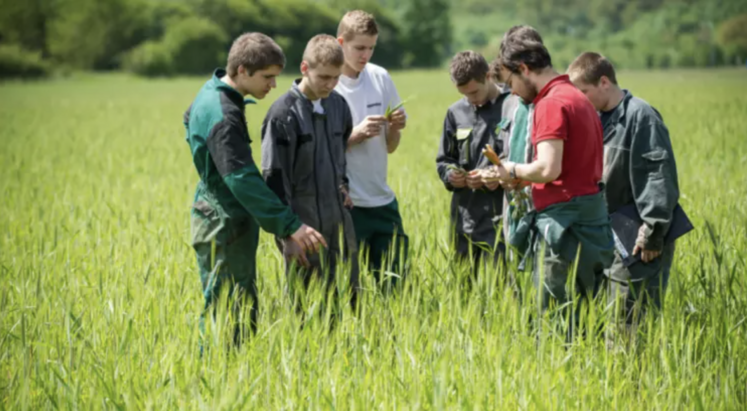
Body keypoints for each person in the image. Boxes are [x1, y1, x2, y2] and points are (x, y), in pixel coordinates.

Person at [184, 32, 325, 345]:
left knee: (232, 303)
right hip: (224, 222)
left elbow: (187, 120)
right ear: (243, 70)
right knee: (231, 308)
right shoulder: (225, 113)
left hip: (218, 213)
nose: (273, 85)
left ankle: (229, 377)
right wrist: (290, 225)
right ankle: (220, 380)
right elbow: (241, 178)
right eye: (268, 77)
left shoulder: (211, 93)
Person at [483, 27, 614, 335]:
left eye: (512, 82)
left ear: (525, 69)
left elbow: (548, 169)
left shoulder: (551, 103)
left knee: (555, 322)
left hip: (563, 229)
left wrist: (512, 170)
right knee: (588, 316)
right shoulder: (576, 96)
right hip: (592, 223)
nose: (513, 92)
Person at [568, 52, 680, 324]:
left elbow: (658, 176)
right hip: (605, 234)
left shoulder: (641, 116)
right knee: (601, 315)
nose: (580, 99)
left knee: (629, 319)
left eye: (584, 91)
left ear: (604, 81)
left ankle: (636, 368)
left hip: (638, 237)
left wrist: (652, 233)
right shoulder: (596, 117)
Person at [261, 34, 359, 309]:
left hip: (340, 226)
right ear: (305, 68)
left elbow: (340, 155)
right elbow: (274, 181)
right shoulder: (282, 115)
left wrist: (343, 186)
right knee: (308, 312)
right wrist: (287, 235)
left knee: (349, 303)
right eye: (324, 77)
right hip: (303, 231)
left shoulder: (338, 106)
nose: (330, 84)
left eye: (336, 77)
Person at [334, 10, 409, 288]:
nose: (365, 55)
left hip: (382, 200)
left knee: (397, 287)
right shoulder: (329, 85)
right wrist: (353, 136)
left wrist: (396, 128)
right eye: (359, 48)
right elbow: (317, 150)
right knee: (348, 290)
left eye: (371, 48)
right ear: (340, 42)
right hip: (346, 205)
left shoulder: (380, 77)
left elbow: (390, 147)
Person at [435, 51, 508, 280]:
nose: (471, 99)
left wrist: (495, 175)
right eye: (464, 94)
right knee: (463, 291)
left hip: (501, 218)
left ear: (488, 76)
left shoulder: (512, 106)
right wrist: (450, 175)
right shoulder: (456, 112)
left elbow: (523, 157)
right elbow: (444, 159)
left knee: (503, 288)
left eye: (474, 92)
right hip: (464, 217)